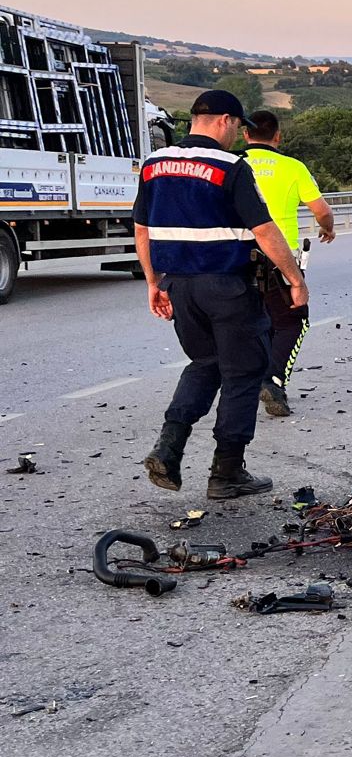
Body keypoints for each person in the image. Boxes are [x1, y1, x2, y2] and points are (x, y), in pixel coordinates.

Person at [134, 89, 308, 499]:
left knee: (205, 362)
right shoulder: (230, 166)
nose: (237, 136)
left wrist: (153, 283)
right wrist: (295, 279)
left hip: (179, 285)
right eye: (237, 127)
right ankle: (227, 472)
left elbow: (141, 229)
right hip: (227, 288)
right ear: (226, 120)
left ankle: (169, 447)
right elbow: (265, 231)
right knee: (244, 372)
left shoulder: (154, 165)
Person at [243, 109, 335, 417]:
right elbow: (321, 209)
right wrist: (327, 227)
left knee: (256, 321)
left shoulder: (232, 164)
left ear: (245, 134)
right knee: (295, 319)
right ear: (278, 136)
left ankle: (247, 381)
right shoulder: (293, 167)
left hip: (233, 256)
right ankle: (273, 380)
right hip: (278, 260)